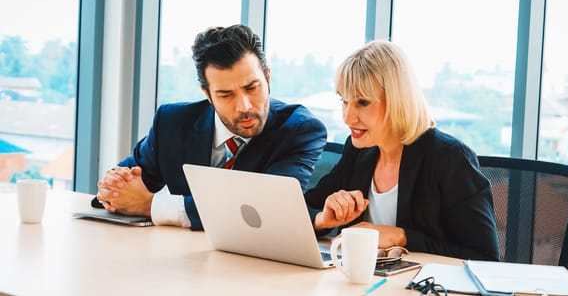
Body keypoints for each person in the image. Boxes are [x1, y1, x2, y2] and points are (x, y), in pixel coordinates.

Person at [96, 24, 327, 230]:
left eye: (252, 87)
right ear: (207, 93)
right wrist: (113, 189)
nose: (244, 106)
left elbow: (267, 207)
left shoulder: (300, 130)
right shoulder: (172, 122)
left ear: (268, 77)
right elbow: (126, 183)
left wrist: (150, 205)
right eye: (226, 94)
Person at [304, 40, 500, 261]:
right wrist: (322, 219)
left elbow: (485, 257)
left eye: (363, 103)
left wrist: (402, 237)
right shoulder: (358, 151)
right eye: (344, 101)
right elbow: (301, 211)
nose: (348, 118)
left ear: (397, 101)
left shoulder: (450, 159)